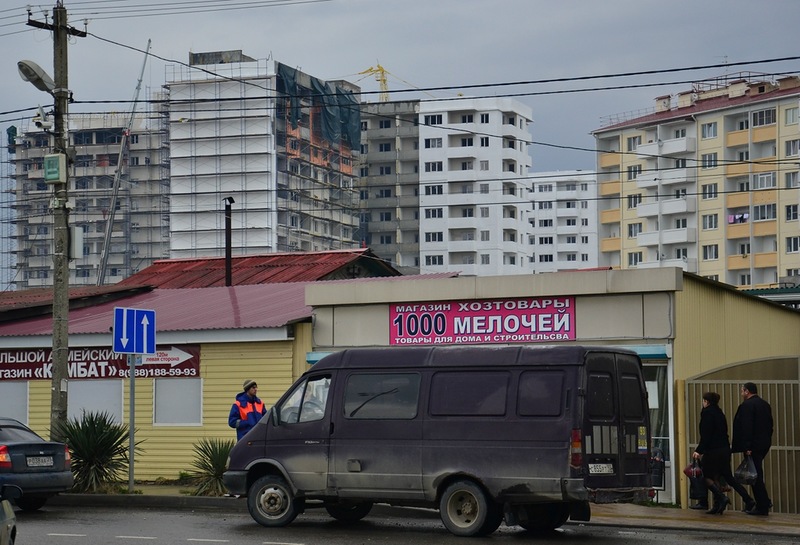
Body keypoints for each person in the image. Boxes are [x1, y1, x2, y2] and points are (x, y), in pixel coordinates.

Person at [692, 392, 754, 515]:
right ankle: (748, 500)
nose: (703, 403)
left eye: (704, 401)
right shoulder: (719, 412)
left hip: (713, 451)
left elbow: (706, 435)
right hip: (724, 449)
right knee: (727, 477)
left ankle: (721, 498)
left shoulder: (707, 413)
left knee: (704, 476)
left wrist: (699, 450)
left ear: (707, 402)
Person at [731, 382, 773, 516]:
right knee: (756, 473)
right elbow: (769, 425)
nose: (741, 393)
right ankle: (764, 502)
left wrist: (747, 446)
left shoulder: (747, 406)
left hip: (752, 446)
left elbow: (746, 427)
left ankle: (762, 505)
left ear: (747, 391)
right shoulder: (765, 404)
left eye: (742, 391)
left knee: (755, 476)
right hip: (763, 444)